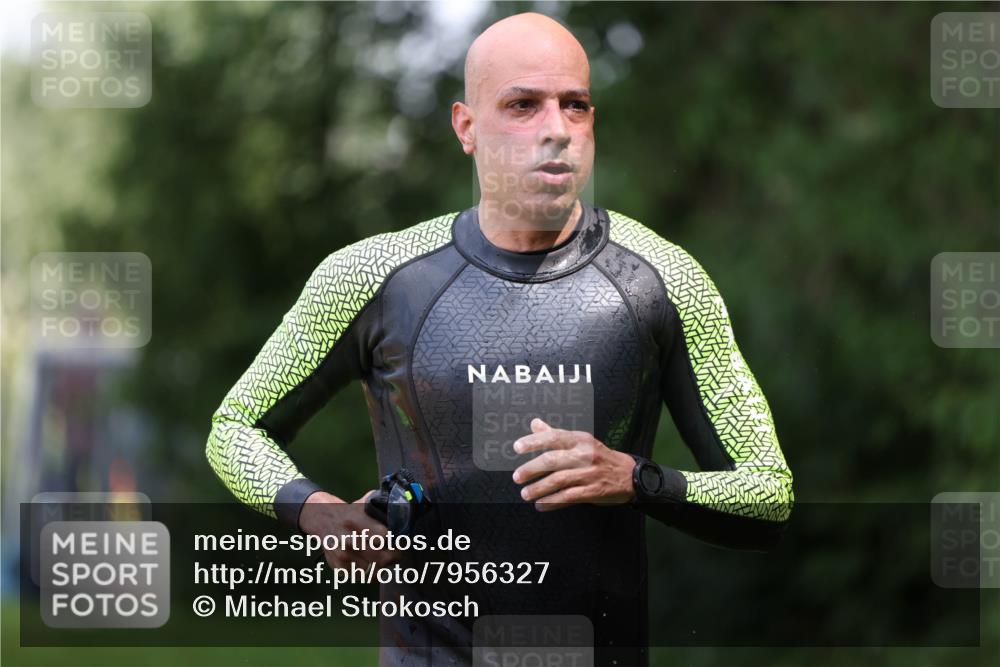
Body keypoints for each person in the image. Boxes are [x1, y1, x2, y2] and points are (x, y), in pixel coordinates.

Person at [206, 11, 793, 666]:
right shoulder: (374, 276)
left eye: (576, 105)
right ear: (466, 126)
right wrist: (314, 509)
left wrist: (635, 477)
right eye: (522, 104)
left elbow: (768, 493)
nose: (556, 129)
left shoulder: (662, 279)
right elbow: (235, 426)